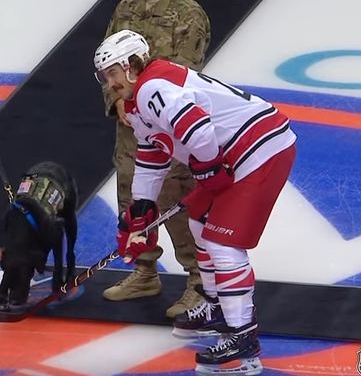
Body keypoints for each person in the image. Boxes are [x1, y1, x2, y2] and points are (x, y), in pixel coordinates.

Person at [93, 30, 296, 374]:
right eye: (104, 75)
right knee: (199, 218)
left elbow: (198, 129)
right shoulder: (137, 103)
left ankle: (241, 333)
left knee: (223, 242)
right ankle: (218, 306)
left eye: (112, 72)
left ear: (130, 66)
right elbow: (152, 155)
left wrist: (206, 167)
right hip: (233, 154)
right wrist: (141, 207)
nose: (108, 83)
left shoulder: (151, 89)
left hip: (260, 149)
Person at [101, 0, 212, 318]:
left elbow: (184, 77)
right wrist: (116, 100)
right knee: (133, 202)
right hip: (130, 127)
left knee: (176, 204)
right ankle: (144, 270)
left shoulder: (189, 15)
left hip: (168, 132)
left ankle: (199, 281)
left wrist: (143, 106)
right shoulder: (126, 7)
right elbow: (107, 64)